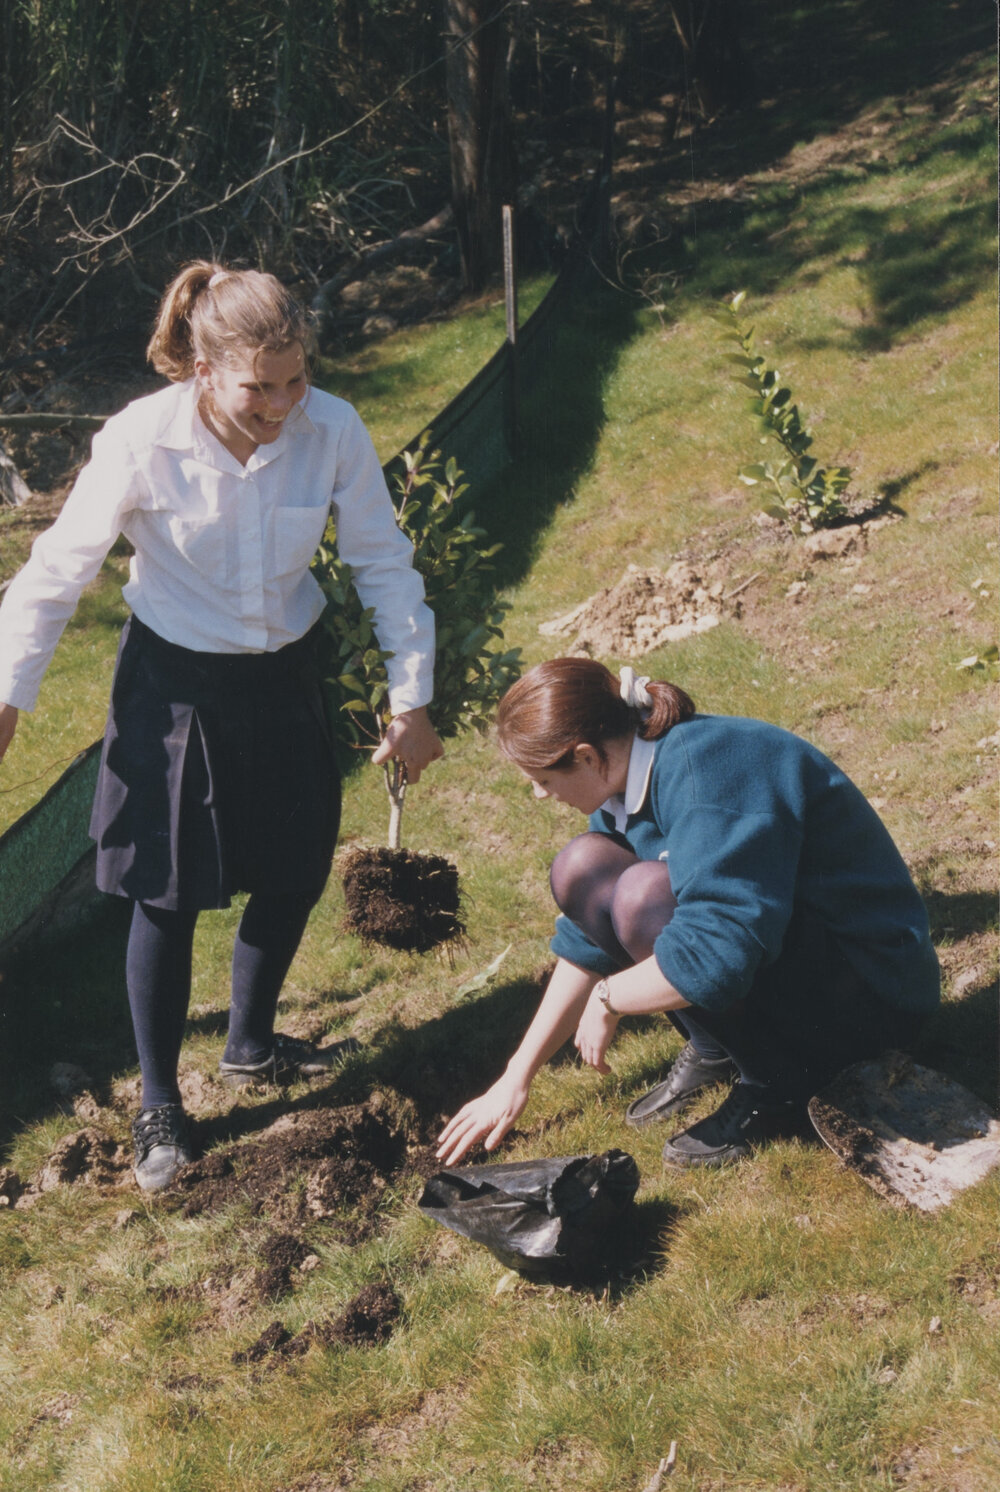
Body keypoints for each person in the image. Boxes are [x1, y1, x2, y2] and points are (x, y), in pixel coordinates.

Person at [0, 261, 443, 1191]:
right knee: (165, 886)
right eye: (259, 386)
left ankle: (250, 1043)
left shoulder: (333, 429)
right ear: (203, 369)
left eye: (296, 381)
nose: (282, 404)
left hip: (285, 673)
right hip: (172, 679)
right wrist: (7, 697)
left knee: (295, 865)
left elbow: (382, 562)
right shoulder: (140, 442)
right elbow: (54, 573)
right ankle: (159, 1101)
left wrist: (413, 696)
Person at [437, 657, 939, 1169]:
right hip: (805, 961)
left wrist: (612, 999)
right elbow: (586, 945)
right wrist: (515, 1076)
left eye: (541, 779)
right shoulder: (625, 779)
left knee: (641, 897)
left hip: (872, 994)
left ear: (586, 756)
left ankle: (783, 1085)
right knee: (582, 866)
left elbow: (717, 954)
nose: (538, 793)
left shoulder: (711, 776)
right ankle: (717, 1046)